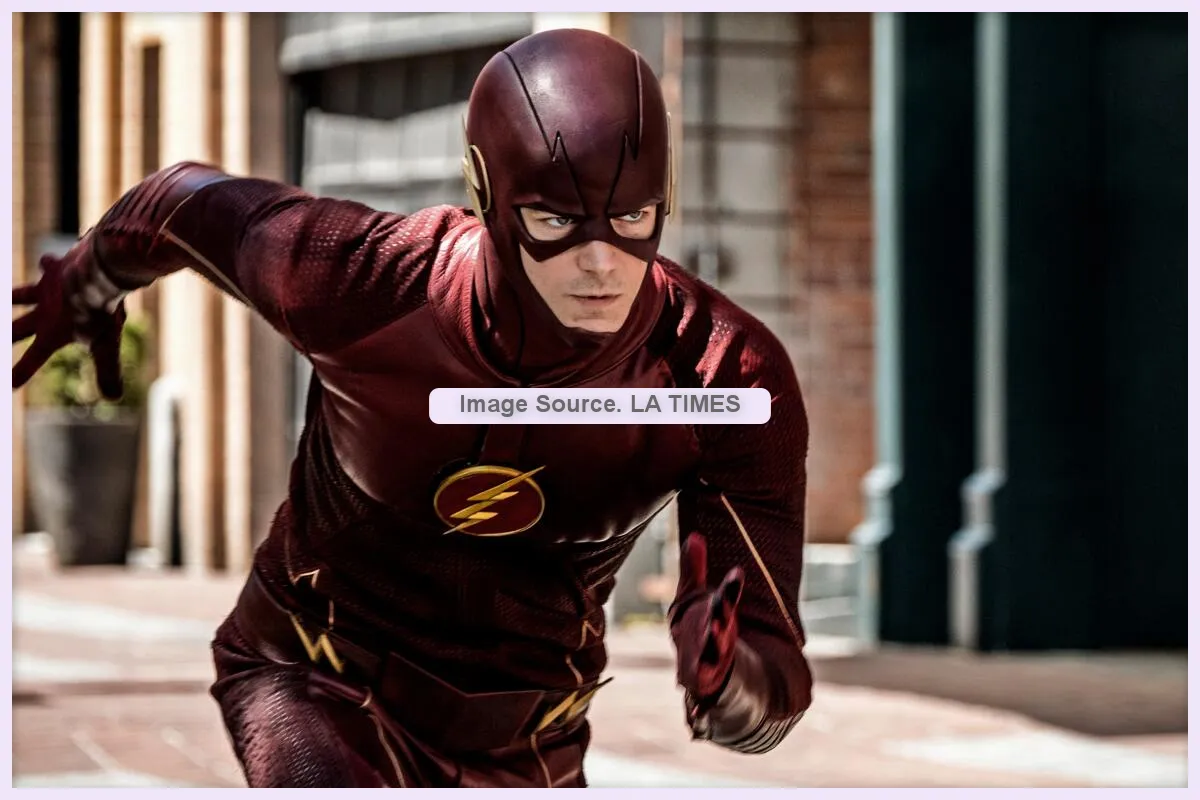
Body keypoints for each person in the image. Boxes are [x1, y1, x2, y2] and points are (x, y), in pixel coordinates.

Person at [12, 28, 813, 788]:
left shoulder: (724, 378)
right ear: (488, 193)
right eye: (556, 221)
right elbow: (180, 204)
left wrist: (731, 679)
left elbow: (773, 685)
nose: (601, 264)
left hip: (527, 746)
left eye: (633, 217)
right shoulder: (360, 279)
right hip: (314, 680)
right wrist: (84, 285)